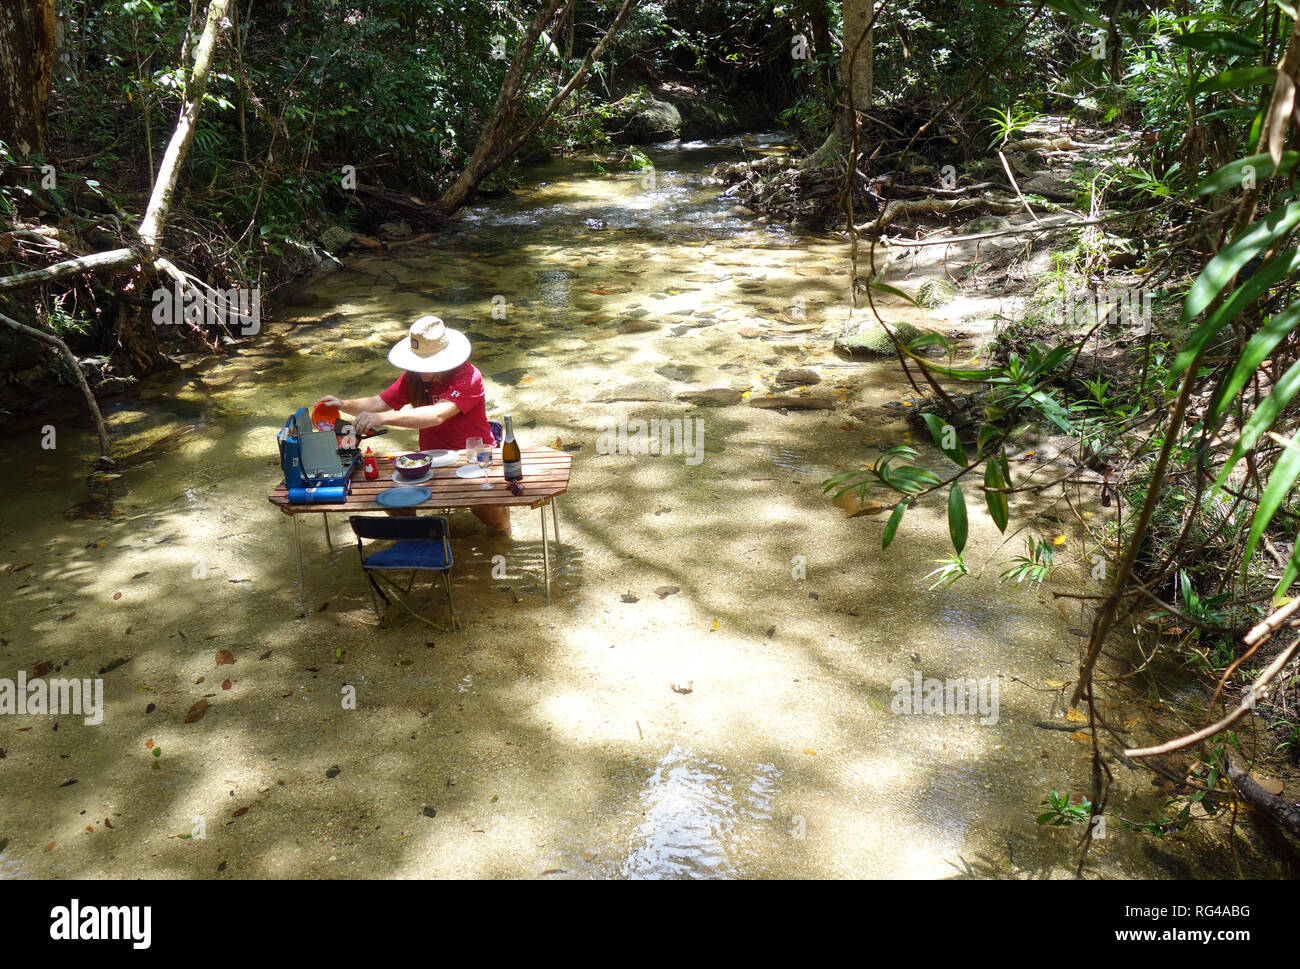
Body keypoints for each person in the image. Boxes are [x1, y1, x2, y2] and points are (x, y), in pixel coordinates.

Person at [316, 315, 510, 535]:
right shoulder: (413, 378)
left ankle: (506, 533)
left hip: (473, 453)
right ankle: (415, 542)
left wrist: (385, 418)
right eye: (419, 363)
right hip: (430, 456)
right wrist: (342, 404)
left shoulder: (469, 376)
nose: (422, 370)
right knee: (395, 501)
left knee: (487, 510)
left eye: (429, 363)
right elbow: (379, 402)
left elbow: (438, 415)